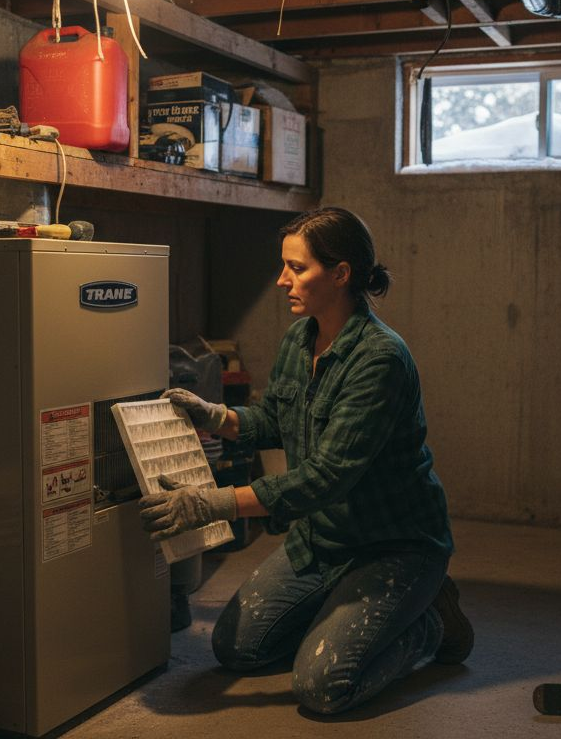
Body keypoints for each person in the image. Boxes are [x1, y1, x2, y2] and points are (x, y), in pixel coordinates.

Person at [138, 206, 472, 715]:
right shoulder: (302, 336)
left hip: (395, 545)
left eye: (297, 268)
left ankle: (428, 625)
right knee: (237, 650)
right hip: (324, 538)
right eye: (284, 265)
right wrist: (216, 416)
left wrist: (212, 504)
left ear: (340, 274)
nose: (281, 279)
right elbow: (275, 420)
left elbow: (325, 479)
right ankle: (347, 610)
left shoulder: (380, 359)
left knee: (322, 688)